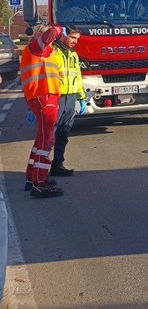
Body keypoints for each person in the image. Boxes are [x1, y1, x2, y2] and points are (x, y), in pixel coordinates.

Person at [20, 24, 64, 198]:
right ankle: (40, 182)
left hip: (42, 97)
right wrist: (59, 28)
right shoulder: (36, 48)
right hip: (44, 96)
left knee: (41, 139)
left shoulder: (44, 52)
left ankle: (32, 177)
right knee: (47, 141)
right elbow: (48, 36)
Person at [51, 25, 87, 177]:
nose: (75, 42)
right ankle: (38, 170)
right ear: (63, 35)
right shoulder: (52, 52)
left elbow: (77, 77)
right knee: (49, 134)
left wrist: (81, 97)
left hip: (70, 97)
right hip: (55, 97)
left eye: (77, 39)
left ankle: (58, 164)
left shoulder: (73, 54)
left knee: (63, 133)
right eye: (73, 38)